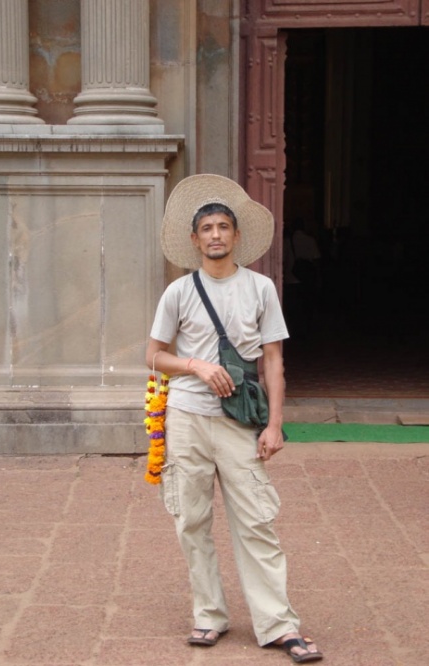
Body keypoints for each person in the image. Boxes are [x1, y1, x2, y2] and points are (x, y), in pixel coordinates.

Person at [146, 174, 323, 663]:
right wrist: (196, 366)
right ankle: (209, 615)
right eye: (207, 228)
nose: (216, 235)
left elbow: (274, 361)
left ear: (237, 235)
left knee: (257, 522)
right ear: (194, 239)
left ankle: (279, 625)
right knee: (191, 520)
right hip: (186, 417)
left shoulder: (260, 288)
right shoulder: (179, 292)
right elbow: (153, 355)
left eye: (224, 227)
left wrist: (275, 424)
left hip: (240, 421)